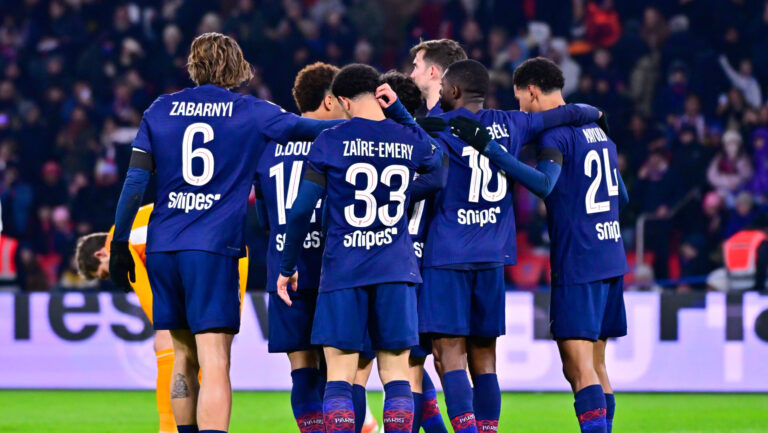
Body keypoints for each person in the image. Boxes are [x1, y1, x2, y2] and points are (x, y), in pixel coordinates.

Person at [108, 33, 341, 433]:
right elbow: (312, 130)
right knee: (214, 359)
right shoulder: (253, 111)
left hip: (163, 246)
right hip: (213, 247)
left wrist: (119, 243)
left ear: (193, 65)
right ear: (238, 66)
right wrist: (375, 129)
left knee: (182, 355)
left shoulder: (159, 110)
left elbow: (133, 183)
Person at [418, 59, 602, 433]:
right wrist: (596, 112)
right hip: (492, 255)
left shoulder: (442, 127)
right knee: (485, 358)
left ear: (452, 92)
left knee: (450, 353)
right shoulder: (515, 122)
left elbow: (413, 133)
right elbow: (568, 112)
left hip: (447, 253)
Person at [459, 57, 628, 433]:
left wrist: (493, 150)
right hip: (611, 253)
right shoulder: (599, 131)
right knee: (598, 365)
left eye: (520, 99)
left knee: (577, 365)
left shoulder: (555, 136)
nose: (520, 108)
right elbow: (623, 195)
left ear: (532, 91)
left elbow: (544, 184)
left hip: (579, 259)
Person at [277, 64, 444, 433]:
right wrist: (400, 113)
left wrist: (287, 265)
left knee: (339, 373)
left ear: (343, 101)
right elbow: (438, 168)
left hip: (343, 269)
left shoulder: (330, 140)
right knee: (397, 374)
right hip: (396, 268)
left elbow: (302, 209)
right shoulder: (407, 137)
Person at [75, 203, 249, 433]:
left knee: (168, 342)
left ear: (101, 253)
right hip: (231, 248)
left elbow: (152, 304)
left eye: (106, 273)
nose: (114, 278)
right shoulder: (137, 220)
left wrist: (164, 327)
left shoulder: (118, 240)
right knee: (216, 351)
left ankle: (169, 428)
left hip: (204, 250)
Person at [381, 70, 449, 433]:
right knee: (414, 367)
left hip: (386, 261)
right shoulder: (427, 146)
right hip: (423, 262)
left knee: (399, 369)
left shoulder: (383, 146)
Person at [409, 39, 467, 115]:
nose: (412, 75)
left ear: (432, 72)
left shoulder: (437, 122)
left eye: (416, 66)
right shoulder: (468, 116)